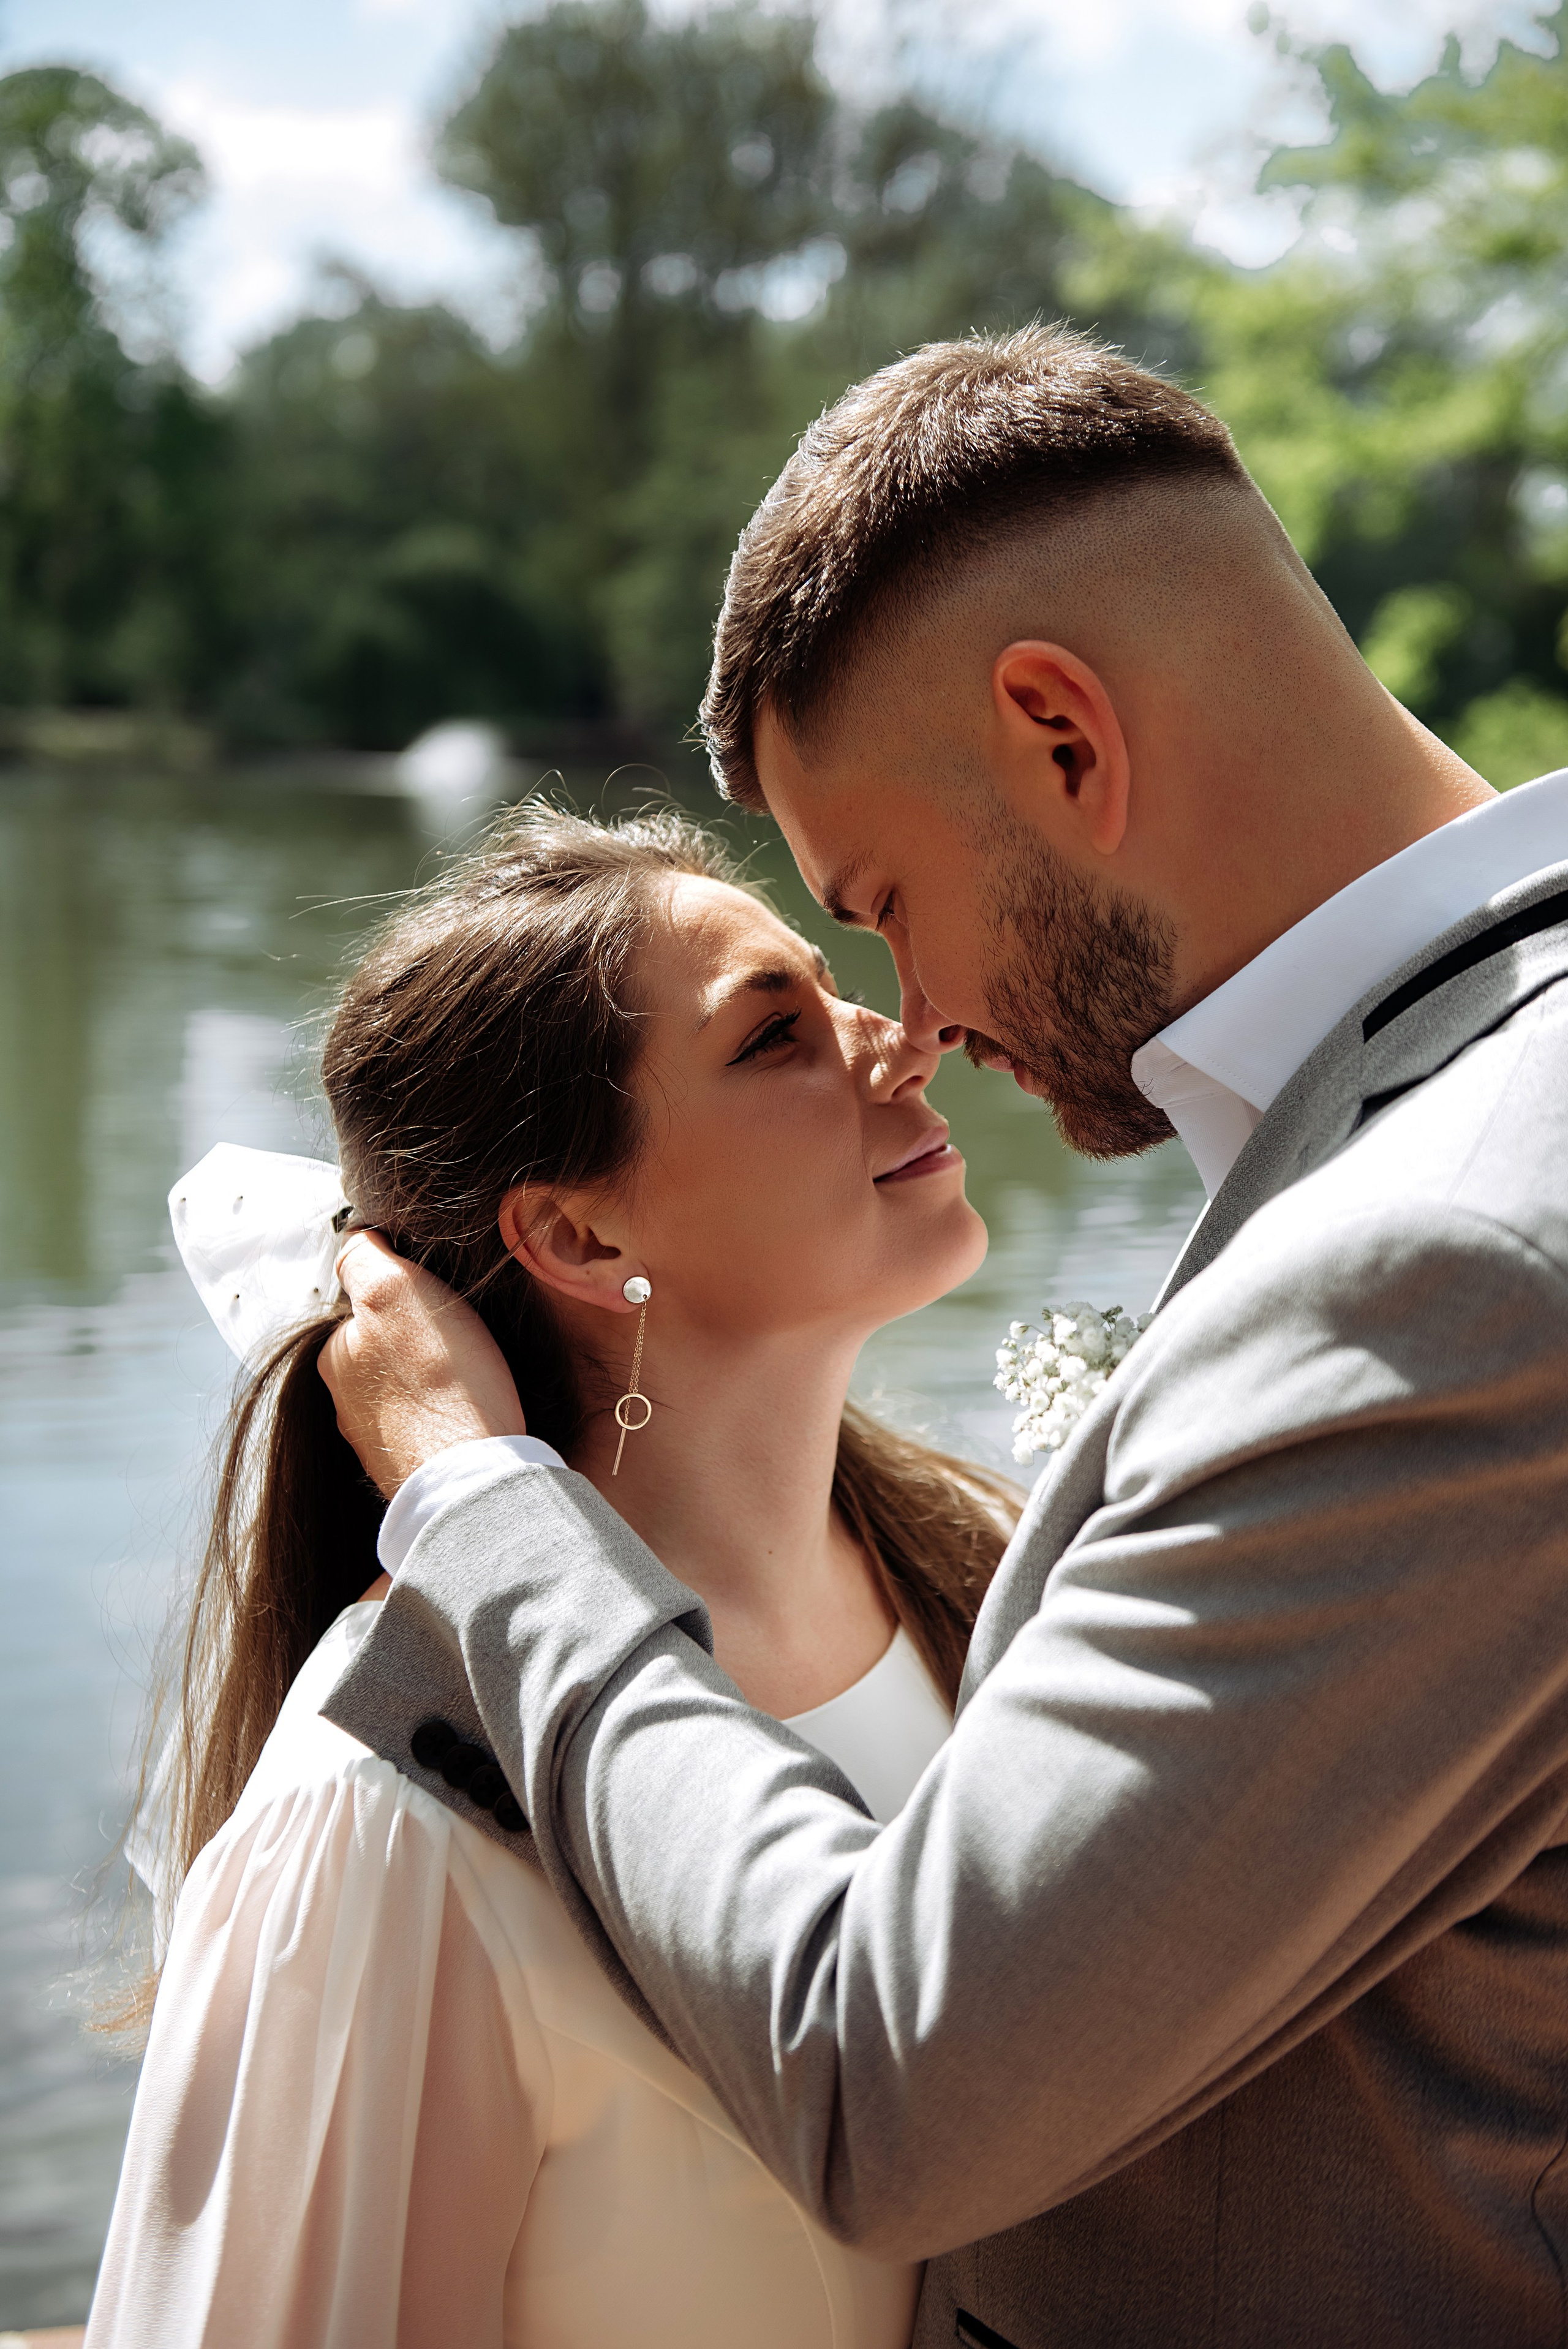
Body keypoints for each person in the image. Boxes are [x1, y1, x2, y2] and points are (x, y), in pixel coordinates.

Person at [317, 325, 1568, 2349]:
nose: (923, 1023)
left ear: (1061, 737)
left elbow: (886, 2075)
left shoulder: (1451, 1252)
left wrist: (487, 1506)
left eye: (883, 898)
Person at [85, 805, 1022, 2348]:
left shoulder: (986, 1576)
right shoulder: (391, 1804)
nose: (899, 1038)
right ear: (577, 1232)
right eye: (775, 1036)